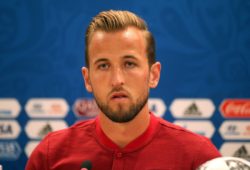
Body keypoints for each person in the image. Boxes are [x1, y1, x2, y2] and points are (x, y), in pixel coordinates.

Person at [26, 10, 221, 170]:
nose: (117, 80)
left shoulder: (200, 158)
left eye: (129, 64)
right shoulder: (50, 156)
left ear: (154, 75)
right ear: (87, 78)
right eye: (103, 65)